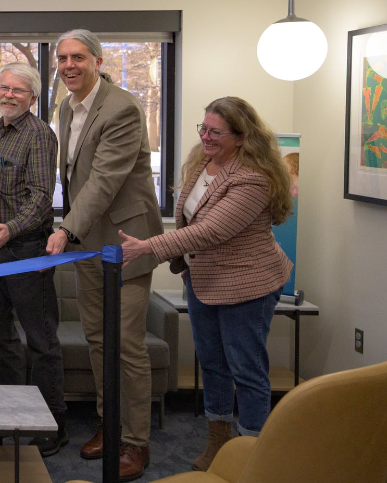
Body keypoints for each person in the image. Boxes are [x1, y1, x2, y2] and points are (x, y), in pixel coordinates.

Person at [119, 97, 293, 472]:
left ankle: (251, 455)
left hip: (249, 285)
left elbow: (211, 230)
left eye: (216, 132)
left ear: (242, 137)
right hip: (203, 280)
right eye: (204, 128)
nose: (206, 137)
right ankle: (218, 441)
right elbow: (189, 216)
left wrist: (148, 246)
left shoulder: (253, 178)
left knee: (246, 369)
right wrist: (184, 267)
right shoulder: (202, 162)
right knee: (212, 365)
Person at [45, 29, 163, 482]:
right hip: (88, 245)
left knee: (126, 345)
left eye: (77, 57)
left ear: (97, 59)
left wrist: (66, 227)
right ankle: (109, 423)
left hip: (125, 244)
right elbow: (76, 177)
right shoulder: (66, 107)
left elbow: (104, 180)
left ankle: (136, 442)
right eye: (62, 58)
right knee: (98, 339)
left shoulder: (122, 108)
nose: (68, 65)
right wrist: (75, 230)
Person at [0, 63, 68, 457]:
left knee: (41, 341)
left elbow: (40, 197)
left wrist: (10, 230)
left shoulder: (39, 134)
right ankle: (8, 416)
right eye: (3, 87)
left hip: (26, 250)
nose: (8, 94)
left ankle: (51, 427)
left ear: (33, 97)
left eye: (18, 90)